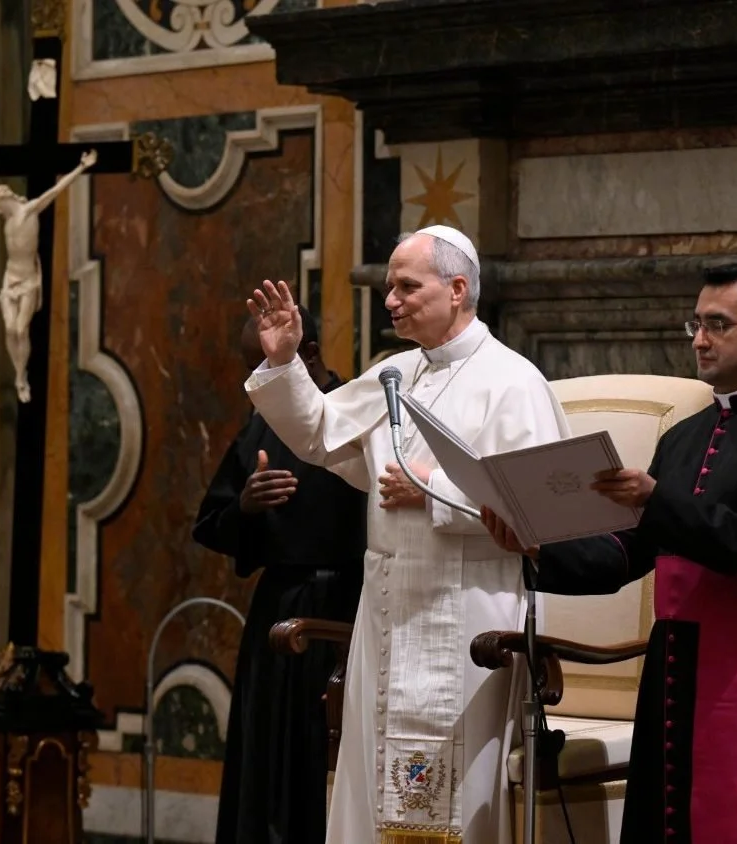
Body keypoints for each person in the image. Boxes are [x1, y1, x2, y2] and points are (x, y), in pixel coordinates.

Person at [482, 263, 737, 844]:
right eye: (695, 324)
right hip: (674, 665)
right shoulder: (682, 437)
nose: (699, 340)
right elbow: (626, 554)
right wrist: (537, 546)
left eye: (717, 325)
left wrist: (657, 500)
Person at [243, 226, 571, 844]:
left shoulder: (514, 381)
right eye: (389, 287)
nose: (390, 300)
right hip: (389, 612)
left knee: (455, 794)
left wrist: (433, 492)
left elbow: (541, 508)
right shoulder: (396, 372)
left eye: (406, 286)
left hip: (471, 614)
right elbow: (321, 433)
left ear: (457, 289)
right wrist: (284, 362)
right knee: (373, 784)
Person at [193, 307, 367, 844]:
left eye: (265, 365)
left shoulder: (356, 410)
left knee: (328, 761)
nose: (256, 382)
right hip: (278, 611)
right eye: (253, 368)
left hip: (350, 608)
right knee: (267, 760)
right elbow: (211, 523)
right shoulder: (260, 425)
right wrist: (244, 506)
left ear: (307, 354)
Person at [0, 147, 97, 402]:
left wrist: (82, 167)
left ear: (4, 202)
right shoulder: (8, 217)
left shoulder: (28, 210)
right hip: (10, 277)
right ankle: (19, 374)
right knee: (10, 329)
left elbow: (56, 190)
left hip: (29, 279)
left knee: (21, 330)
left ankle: (21, 377)